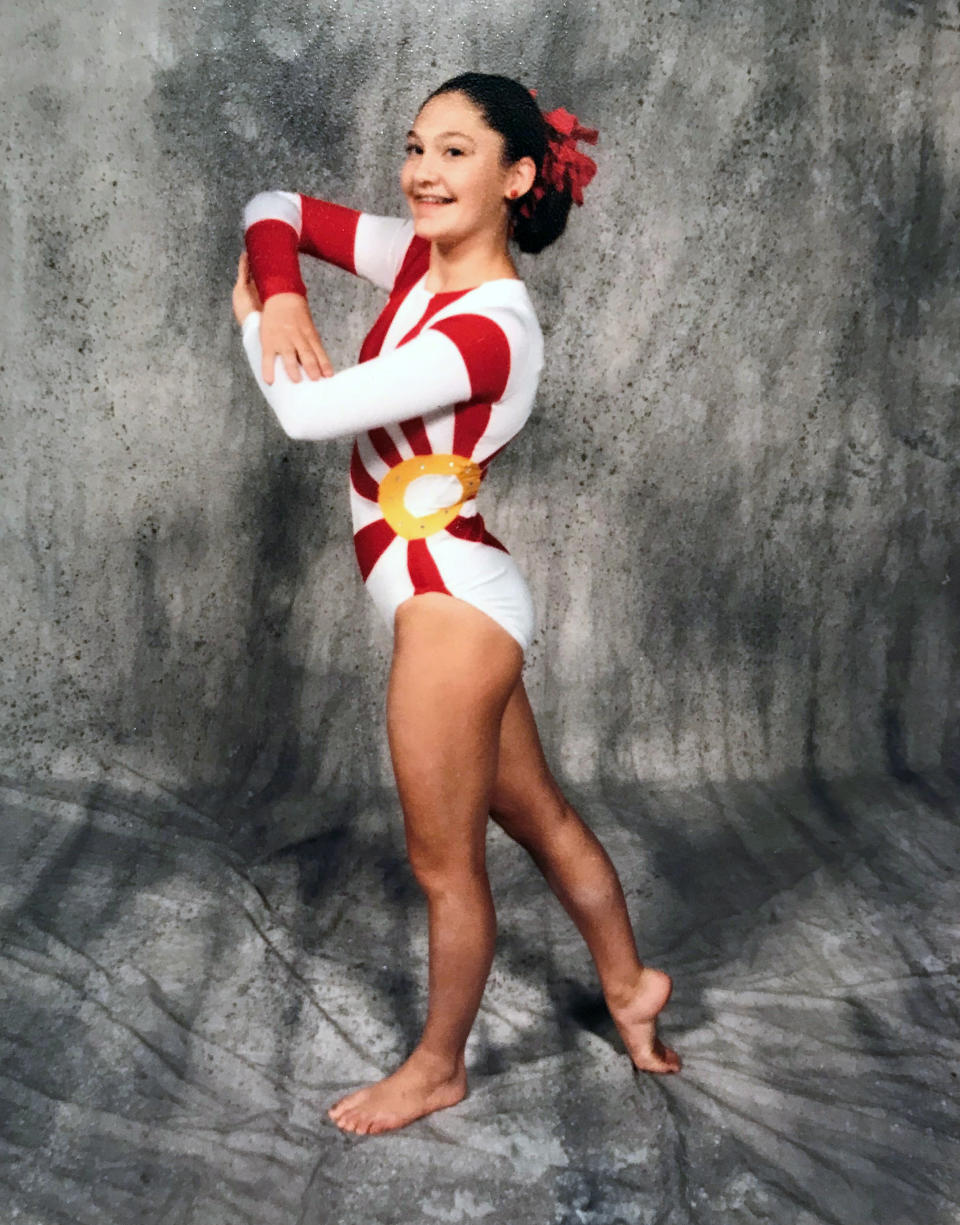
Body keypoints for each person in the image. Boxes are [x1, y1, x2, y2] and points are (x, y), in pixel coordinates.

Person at [231, 71, 681, 1137]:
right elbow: (273, 209)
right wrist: (289, 286)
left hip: (448, 619)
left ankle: (437, 1066)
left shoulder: (490, 327)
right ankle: (629, 987)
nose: (423, 172)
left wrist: (254, 317)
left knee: (445, 867)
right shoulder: (414, 262)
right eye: (415, 146)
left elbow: (310, 415)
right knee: (541, 815)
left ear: (517, 176)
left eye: (455, 153)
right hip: (464, 593)